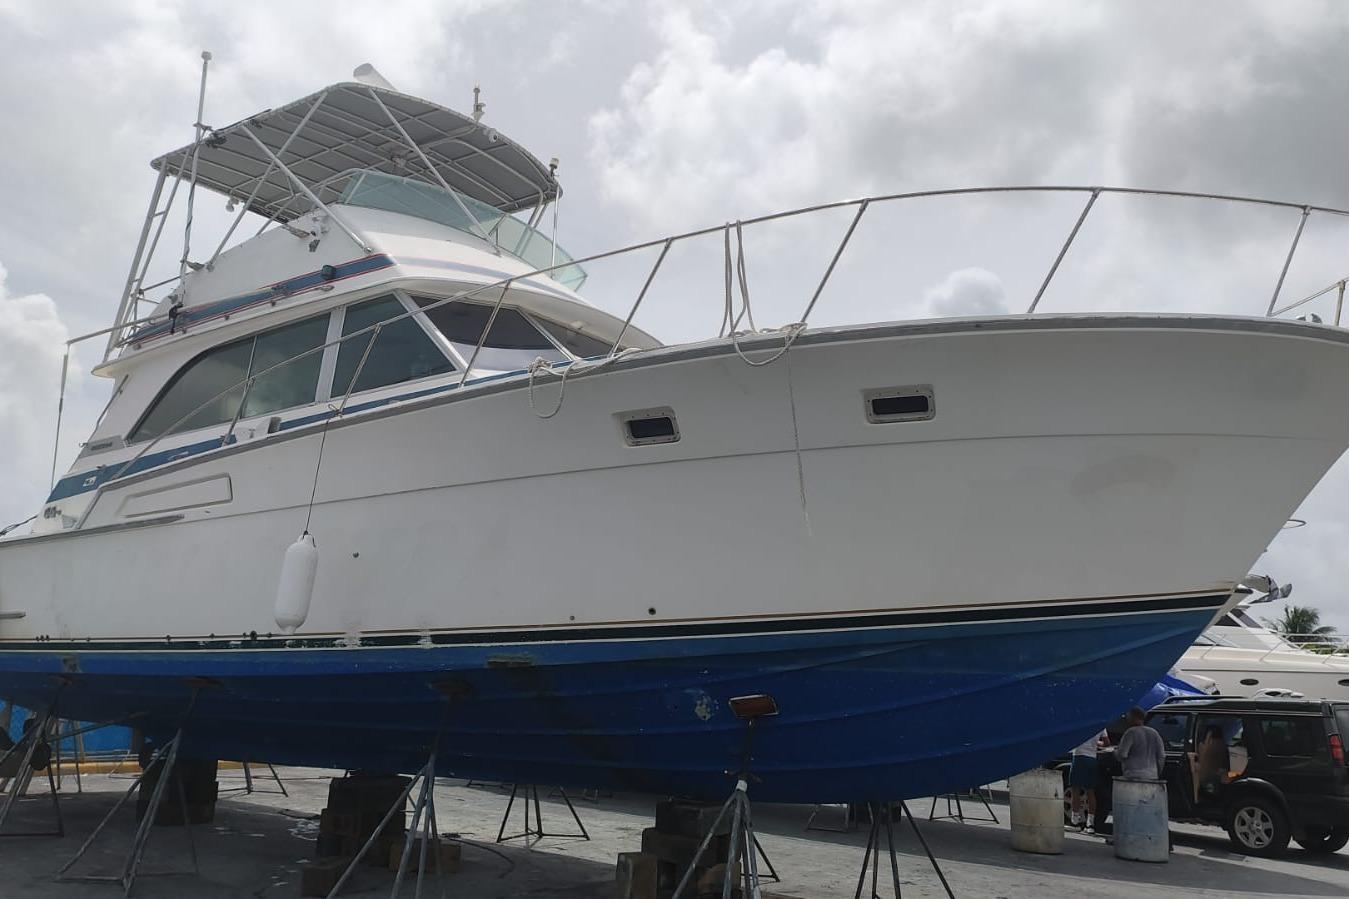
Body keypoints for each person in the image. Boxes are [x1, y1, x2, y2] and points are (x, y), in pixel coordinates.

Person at [1068, 728, 1108, 830]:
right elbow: (1106, 742)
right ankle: (1090, 824)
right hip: (1092, 758)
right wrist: (1096, 743)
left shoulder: (1080, 722)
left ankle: (1075, 822)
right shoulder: (1101, 725)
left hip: (1079, 756)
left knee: (1075, 790)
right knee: (1090, 791)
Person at [1116, 706, 1166, 781]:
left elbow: (1122, 755)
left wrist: (1114, 752)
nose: (1127, 718)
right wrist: (1157, 772)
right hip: (1152, 776)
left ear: (1133, 717)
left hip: (1132, 775)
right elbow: (1161, 757)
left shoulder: (1130, 732)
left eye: (1128, 716)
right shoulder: (1154, 733)